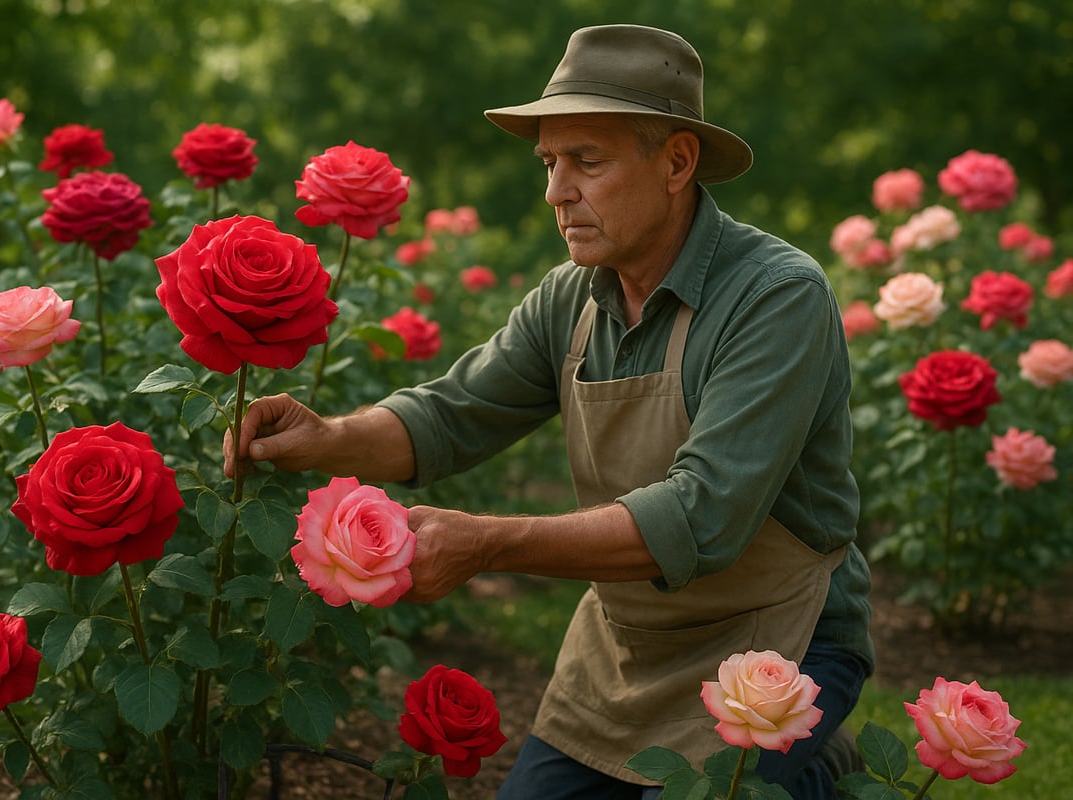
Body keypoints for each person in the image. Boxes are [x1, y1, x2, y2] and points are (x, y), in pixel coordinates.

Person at [224, 24, 874, 800]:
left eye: (586, 163)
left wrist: (487, 544)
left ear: (676, 162)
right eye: (549, 163)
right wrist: (328, 438)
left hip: (779, 642)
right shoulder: (573, 298)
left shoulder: (774, 298)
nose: (555, 191)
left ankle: (818, 771)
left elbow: (702, 517)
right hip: (627, 647)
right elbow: (451, 414)